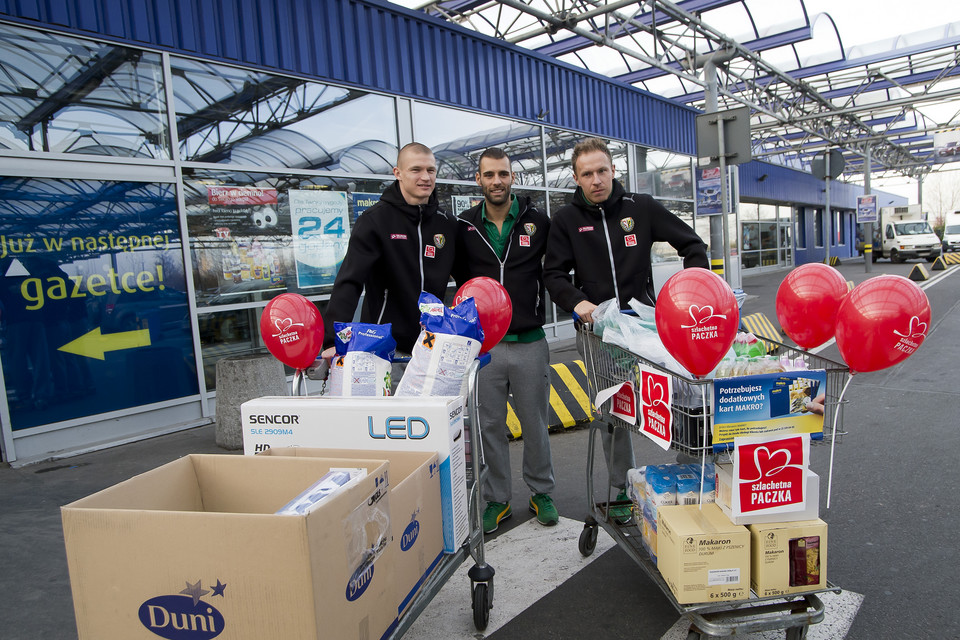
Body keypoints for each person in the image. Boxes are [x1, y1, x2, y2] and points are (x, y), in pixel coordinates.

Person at [543, 137, 709, 520]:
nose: (596, 179)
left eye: (602, 170)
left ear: (613, 170)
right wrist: (578, 302)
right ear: (576, 178)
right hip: (600, 335)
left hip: (649, 333)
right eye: (587, 174)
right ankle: (622, 489)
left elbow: (692, 245)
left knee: (676, 402)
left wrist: (691, 291)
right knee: (613, 415)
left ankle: (690, 477)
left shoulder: (642, 208)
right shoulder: (567, 220)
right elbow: (552, 274)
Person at [454, 147, 557, 534]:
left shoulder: (538, 223)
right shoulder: (464, 227)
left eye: (503, 174)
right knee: (489, 425)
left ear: (512, 177)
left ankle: (541, 492)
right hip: (483, 348)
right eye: (489, 175)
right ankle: (496, 500)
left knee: (535, 422)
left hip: (530, 340)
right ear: (478, 180)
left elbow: (559, 269)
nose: (497, 181)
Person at [322, 143, 458, 380]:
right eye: (416, 170)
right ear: (398, 173)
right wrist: (333, 341)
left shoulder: (446, 223)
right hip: (385, 351)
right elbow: (349, 282)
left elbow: (467, 281)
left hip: (434, 350)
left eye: (431, 170)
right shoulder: (375, 221)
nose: (425, 177)